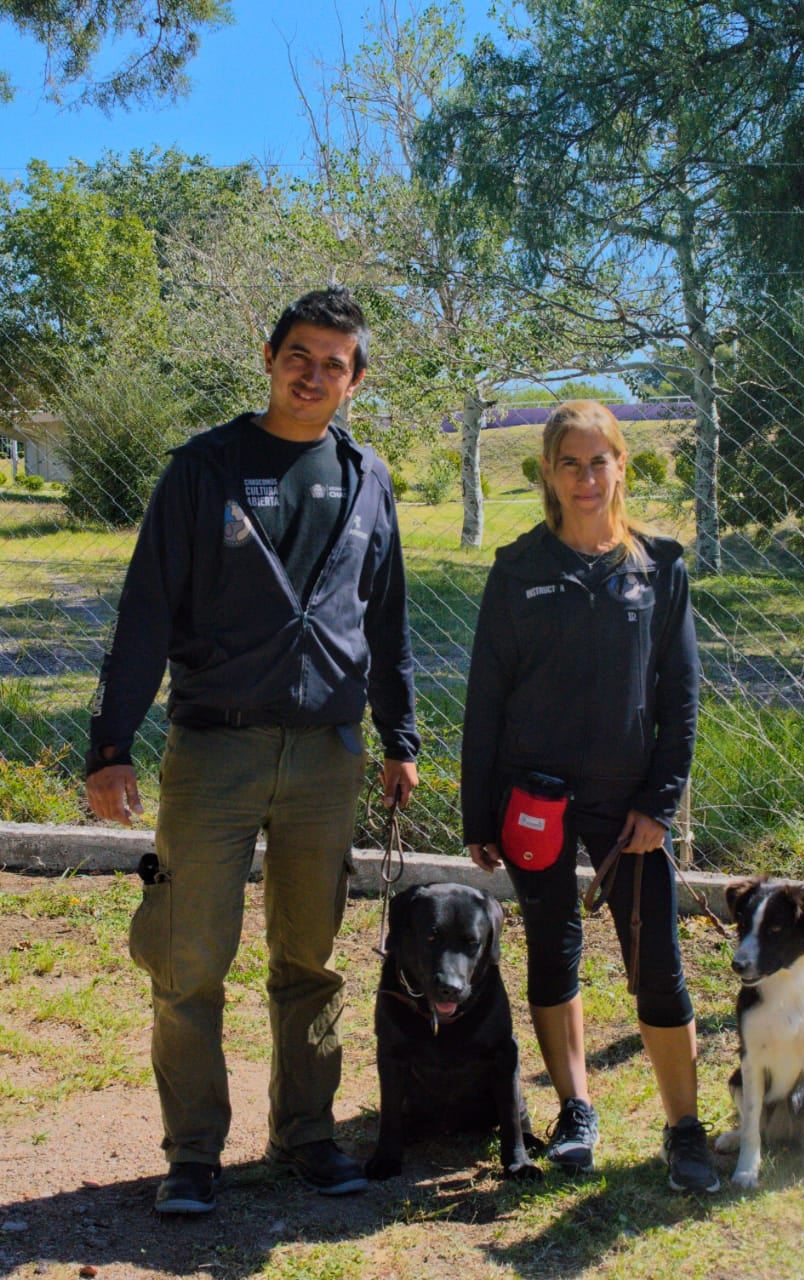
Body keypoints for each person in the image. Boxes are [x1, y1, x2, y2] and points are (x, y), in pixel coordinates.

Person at [86, 286, 419, 1213]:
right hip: (213, 754)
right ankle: (191, 1153)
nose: (314, 376)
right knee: (188, 959)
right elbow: (145, 611)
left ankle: (307, 1136)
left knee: (308, 960)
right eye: (299, 355)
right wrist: (110, 745)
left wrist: (401, 737)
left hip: (327, 757)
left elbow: (383, 622)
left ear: (357, 380)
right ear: (269, 357)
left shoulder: (367, 479)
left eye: (335, 364)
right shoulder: (204, 469)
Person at [461, 400, 718, 1193]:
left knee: (658, 967)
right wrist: (479, 814)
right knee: (552, 949)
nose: (584, 477)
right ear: (546, 471)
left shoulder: (658, 567)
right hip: (533, 799)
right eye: (568, 463)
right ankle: (576, 1111)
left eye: (597, 461)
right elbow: (486, 699)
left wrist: (660, 801)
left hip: (628, 806)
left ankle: (682, 1126)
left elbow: (678, 698)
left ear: (620, 467)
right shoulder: (517, 569)